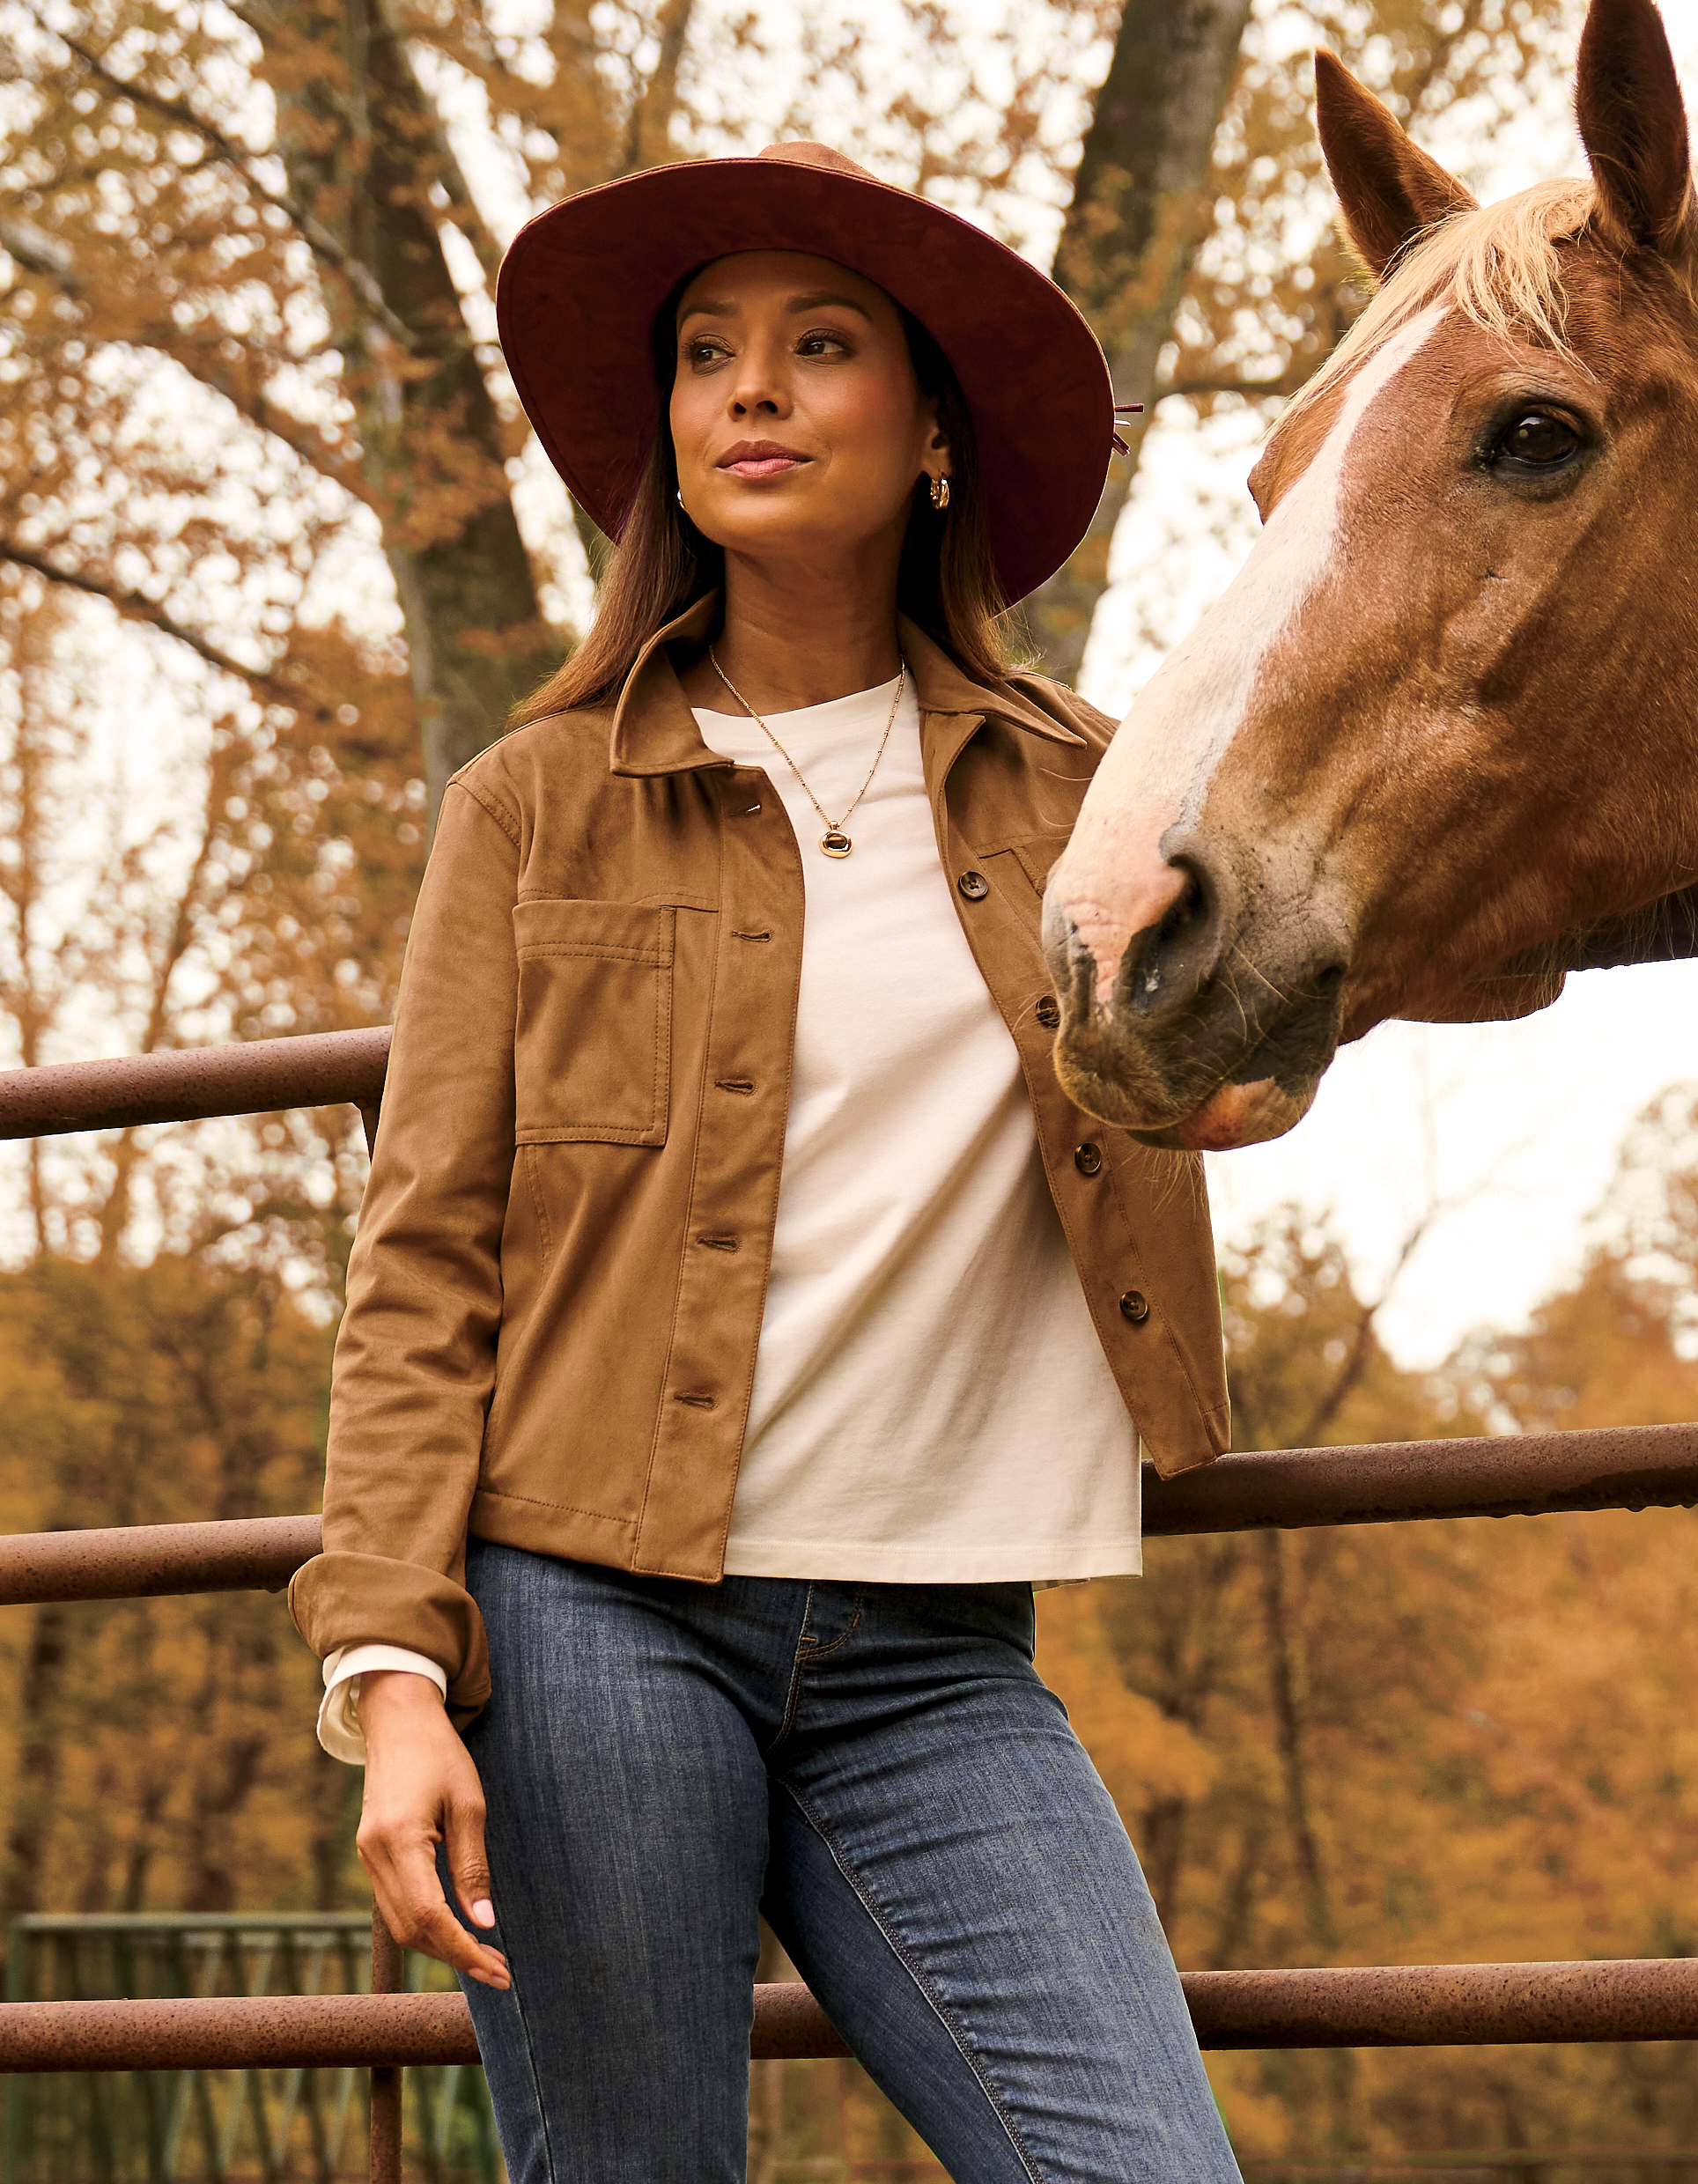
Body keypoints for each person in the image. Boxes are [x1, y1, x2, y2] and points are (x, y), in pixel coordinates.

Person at [289, 140, 1240, 2184]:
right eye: (707, 353)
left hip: (940, 1654)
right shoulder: (535, 805)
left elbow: (1275, 979)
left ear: (932, 443)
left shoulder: (1085, 790)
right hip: (592, 1624)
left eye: (820, 346)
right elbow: (426, 1254)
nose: (748, 388)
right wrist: (392, 1674)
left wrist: (1252, 1075)